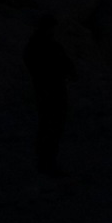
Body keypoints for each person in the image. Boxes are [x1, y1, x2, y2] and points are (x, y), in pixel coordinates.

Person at [23, 14, 73, 175]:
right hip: (47, 89)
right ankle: (46, 162)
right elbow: (36, 66)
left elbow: (66, 63)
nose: (53, 31)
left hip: (54, 88)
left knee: (54, 125)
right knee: (49, 125)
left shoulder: (50, 45)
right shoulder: (39, 46)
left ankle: (47, 161)